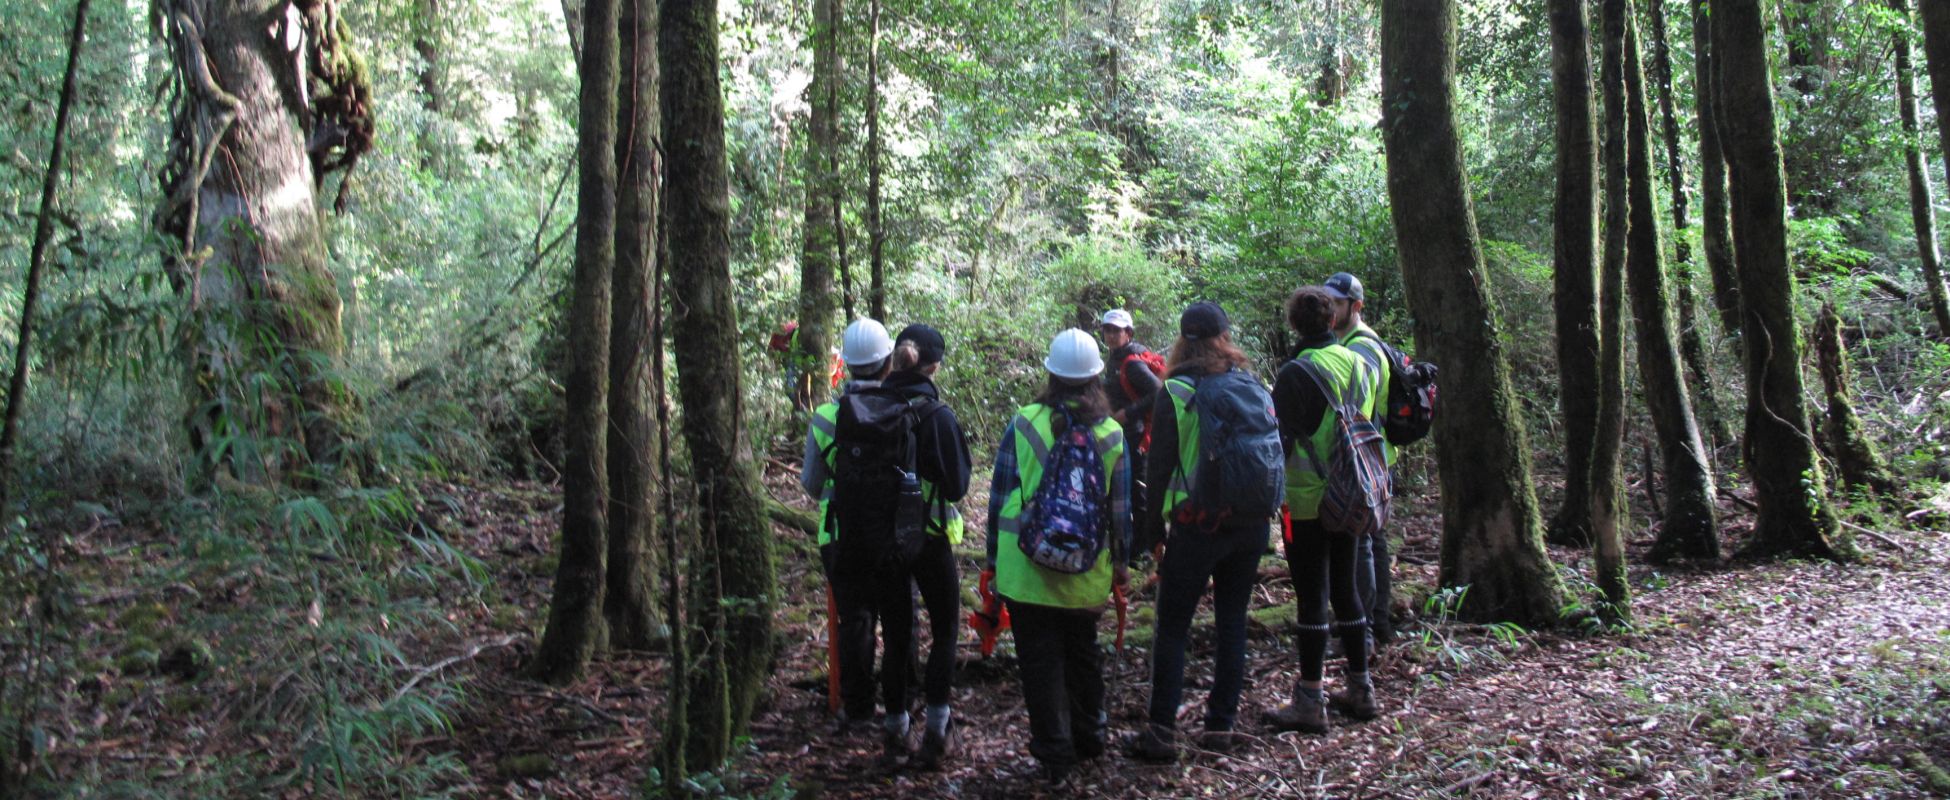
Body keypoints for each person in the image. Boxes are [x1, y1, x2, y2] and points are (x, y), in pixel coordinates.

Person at [1126, 301, 1276, 762]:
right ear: (1224, 336)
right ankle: (1220, 727)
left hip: (1196, 528)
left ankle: (1161, 733)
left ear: (1182, 340)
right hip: (1249, 524)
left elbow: (1159, 465)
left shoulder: (1176, 391)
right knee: (1233, 621)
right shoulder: (1252, 385)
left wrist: (1153, 533)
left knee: (1172, 627)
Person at [986, 329, 1132, 785]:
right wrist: (1122, 566)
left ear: (1050, 373)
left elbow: (999, 494)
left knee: (1039, 660)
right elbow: (1120, 510)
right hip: (1085, 571)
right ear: (1096, 377)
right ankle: (1092, 736)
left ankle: (1054, 753)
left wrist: (992, 560)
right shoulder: (1111, 433)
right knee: (1083, 651)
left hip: (1025, 567)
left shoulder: (1024, 420)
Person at [1266, 286, 1384, 733]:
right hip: (1353, 491)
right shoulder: (1361, 364)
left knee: (1312, 597)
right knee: (1347, 589)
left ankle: (1310, 700)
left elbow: (1280, 440)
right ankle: (1361, 687)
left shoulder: (1296, 372)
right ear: (1332, 321)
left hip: (1307, 500)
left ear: (1294, 325)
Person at [799, 318, 903, 741]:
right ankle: (901, 700)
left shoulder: (826, 416)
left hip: (840, 535)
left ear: (848, 364)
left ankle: (857, 707)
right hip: (895, 534)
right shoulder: (905, 411)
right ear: (887, 363)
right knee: (898, 619)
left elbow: (810, 482)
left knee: (855, 619)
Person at [875, 324, 973, 769]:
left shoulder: (865, 407)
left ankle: (895, 730)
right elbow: (955, 488)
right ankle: (936, 730)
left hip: (881, 541)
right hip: (930, 540)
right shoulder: (938, 416)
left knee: (896, 636)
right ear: (933, 366)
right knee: (945, 631)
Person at [1324, 272, 1396, 648]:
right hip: (1368, 457)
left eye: (1337, 303)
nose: (1330, 310)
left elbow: (1355, 404)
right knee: (1371, 540)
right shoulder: (1347, 341)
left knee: (1363, 542)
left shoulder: (1363, 346)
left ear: (1356, 306)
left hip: (1367, 459)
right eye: (1328, 303)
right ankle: (1374, 622)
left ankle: (1364, 628)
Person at [1099, 309, 1165, 554]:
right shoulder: (1115, 358)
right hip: (1123, 432)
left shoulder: (1132, 362)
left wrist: (1128, 413)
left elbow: (1158, 392)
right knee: (1125, 489)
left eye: (1118, 330)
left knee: (1139, 490)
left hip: (1137, 435)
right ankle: (1134, 547)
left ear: (1128, 333)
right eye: (1108, 329)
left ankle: (1146, 549)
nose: (1112, 334)